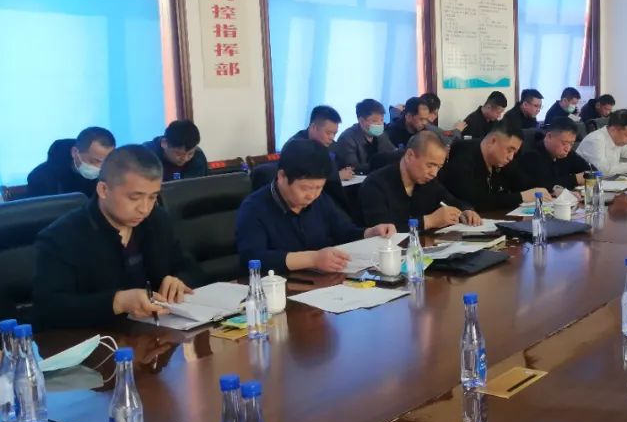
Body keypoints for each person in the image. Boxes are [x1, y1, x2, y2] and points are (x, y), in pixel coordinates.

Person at [33, 145, 204, 330]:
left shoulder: (157, 220)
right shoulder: (63, 237)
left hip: (158, 333)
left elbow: (193, 270)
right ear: (103, 190)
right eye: (134, 198)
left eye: (152, 197)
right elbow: (49, 310)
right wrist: (117, 302)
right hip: (99, 339)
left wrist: (179, 280)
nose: (144, 208)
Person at [235, 139, 395, 275]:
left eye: (318, 187)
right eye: (305, 188)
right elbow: (253, 258)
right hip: (277, 288)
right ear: (282, 176)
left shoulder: (321, 200)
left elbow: (343, 231)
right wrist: (312, 259)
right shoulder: (254, 207)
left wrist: (369, 232)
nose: (312, 195)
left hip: (320, 284)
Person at [359, 131, 480, 231]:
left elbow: (451, 200)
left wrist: (466, 210)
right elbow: (383, 230)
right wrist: (429, 221)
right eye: (430, 165)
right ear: (410, 156)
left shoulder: (428, 181)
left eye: (439, 167)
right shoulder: (375, 184)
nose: (434, 173)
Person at [439, 122, 550, 211]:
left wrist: (545, 190)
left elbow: (522, 182)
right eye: (509, 150)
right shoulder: (463, 159)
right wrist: (521, 197)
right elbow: (475, 201)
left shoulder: (501, 160)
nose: (511, 157)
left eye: (514, 152)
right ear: (493, 141)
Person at [27, 126, 116, 198]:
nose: (100, 168)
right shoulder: (40, 178)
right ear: (74, 152)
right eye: (94, 161)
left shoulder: (108, 177)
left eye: (105, 162)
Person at [514, 118, 590, 191]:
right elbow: (542, 185)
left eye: (571, 144)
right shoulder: (531, 155)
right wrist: (574, 179)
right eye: (564, 143)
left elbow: (587, 170)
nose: (568, 149)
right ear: (549, 136)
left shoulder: (567, 153)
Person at [284, 105, 353, 182]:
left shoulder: (330, 144)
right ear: (313, 127)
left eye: (334, 133)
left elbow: (340, 163)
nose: (332, 137)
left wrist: (347, 169)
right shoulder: (295, 147)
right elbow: (304, 179)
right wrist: (337, 176)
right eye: (328, 133)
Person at [577, 109, 627, 176]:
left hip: (608, 182)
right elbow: (603, 171)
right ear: (613, 130)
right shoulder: (595, 140)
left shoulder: (618, 140)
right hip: (585, 185)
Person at [335, 99, 395, 175]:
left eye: (382, 119)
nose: (380, 124)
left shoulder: (381, 135)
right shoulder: (347, 138)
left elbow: (393, 155)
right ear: (361, 121)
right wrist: (381, 166)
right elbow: (353, 166)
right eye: (375, 121)